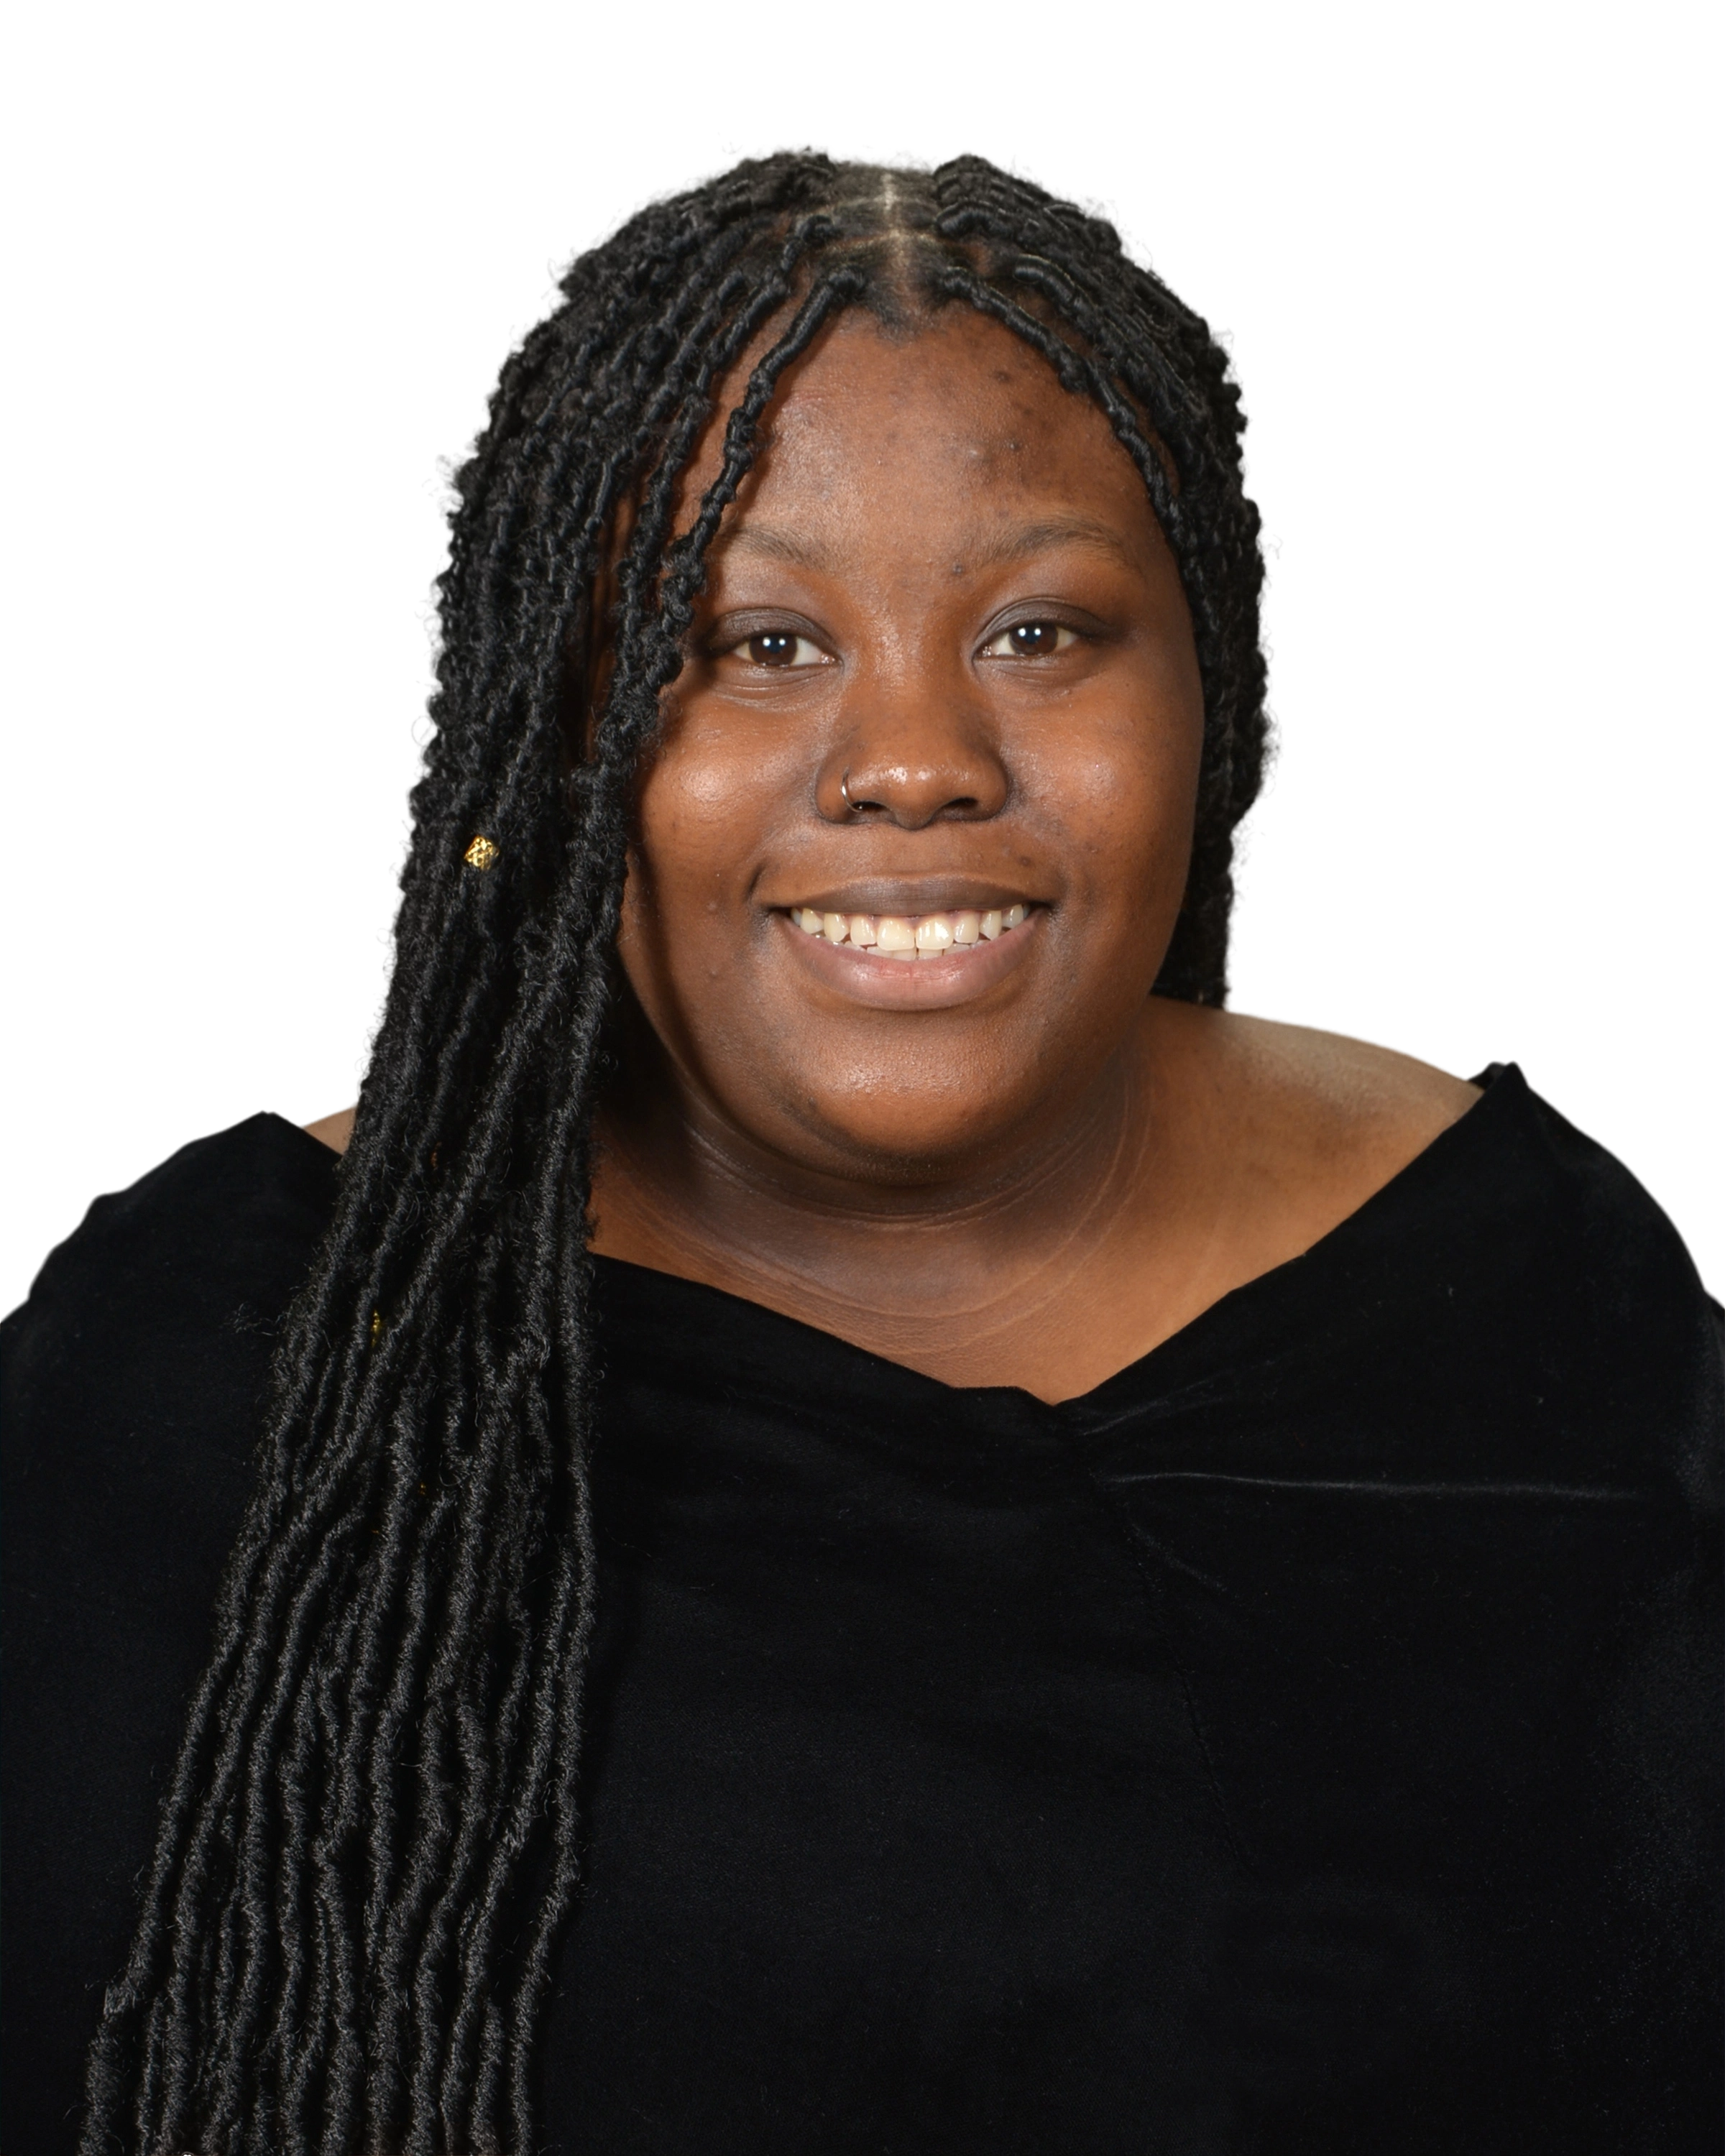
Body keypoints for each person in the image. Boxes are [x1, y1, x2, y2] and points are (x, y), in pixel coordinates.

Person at [3, 142, 1719, 2156]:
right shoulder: (214, 1366)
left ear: (1215, 687)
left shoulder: (1534, 1278)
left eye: (1042, 632)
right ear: (559, 724)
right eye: (759, 643)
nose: (915, 762)